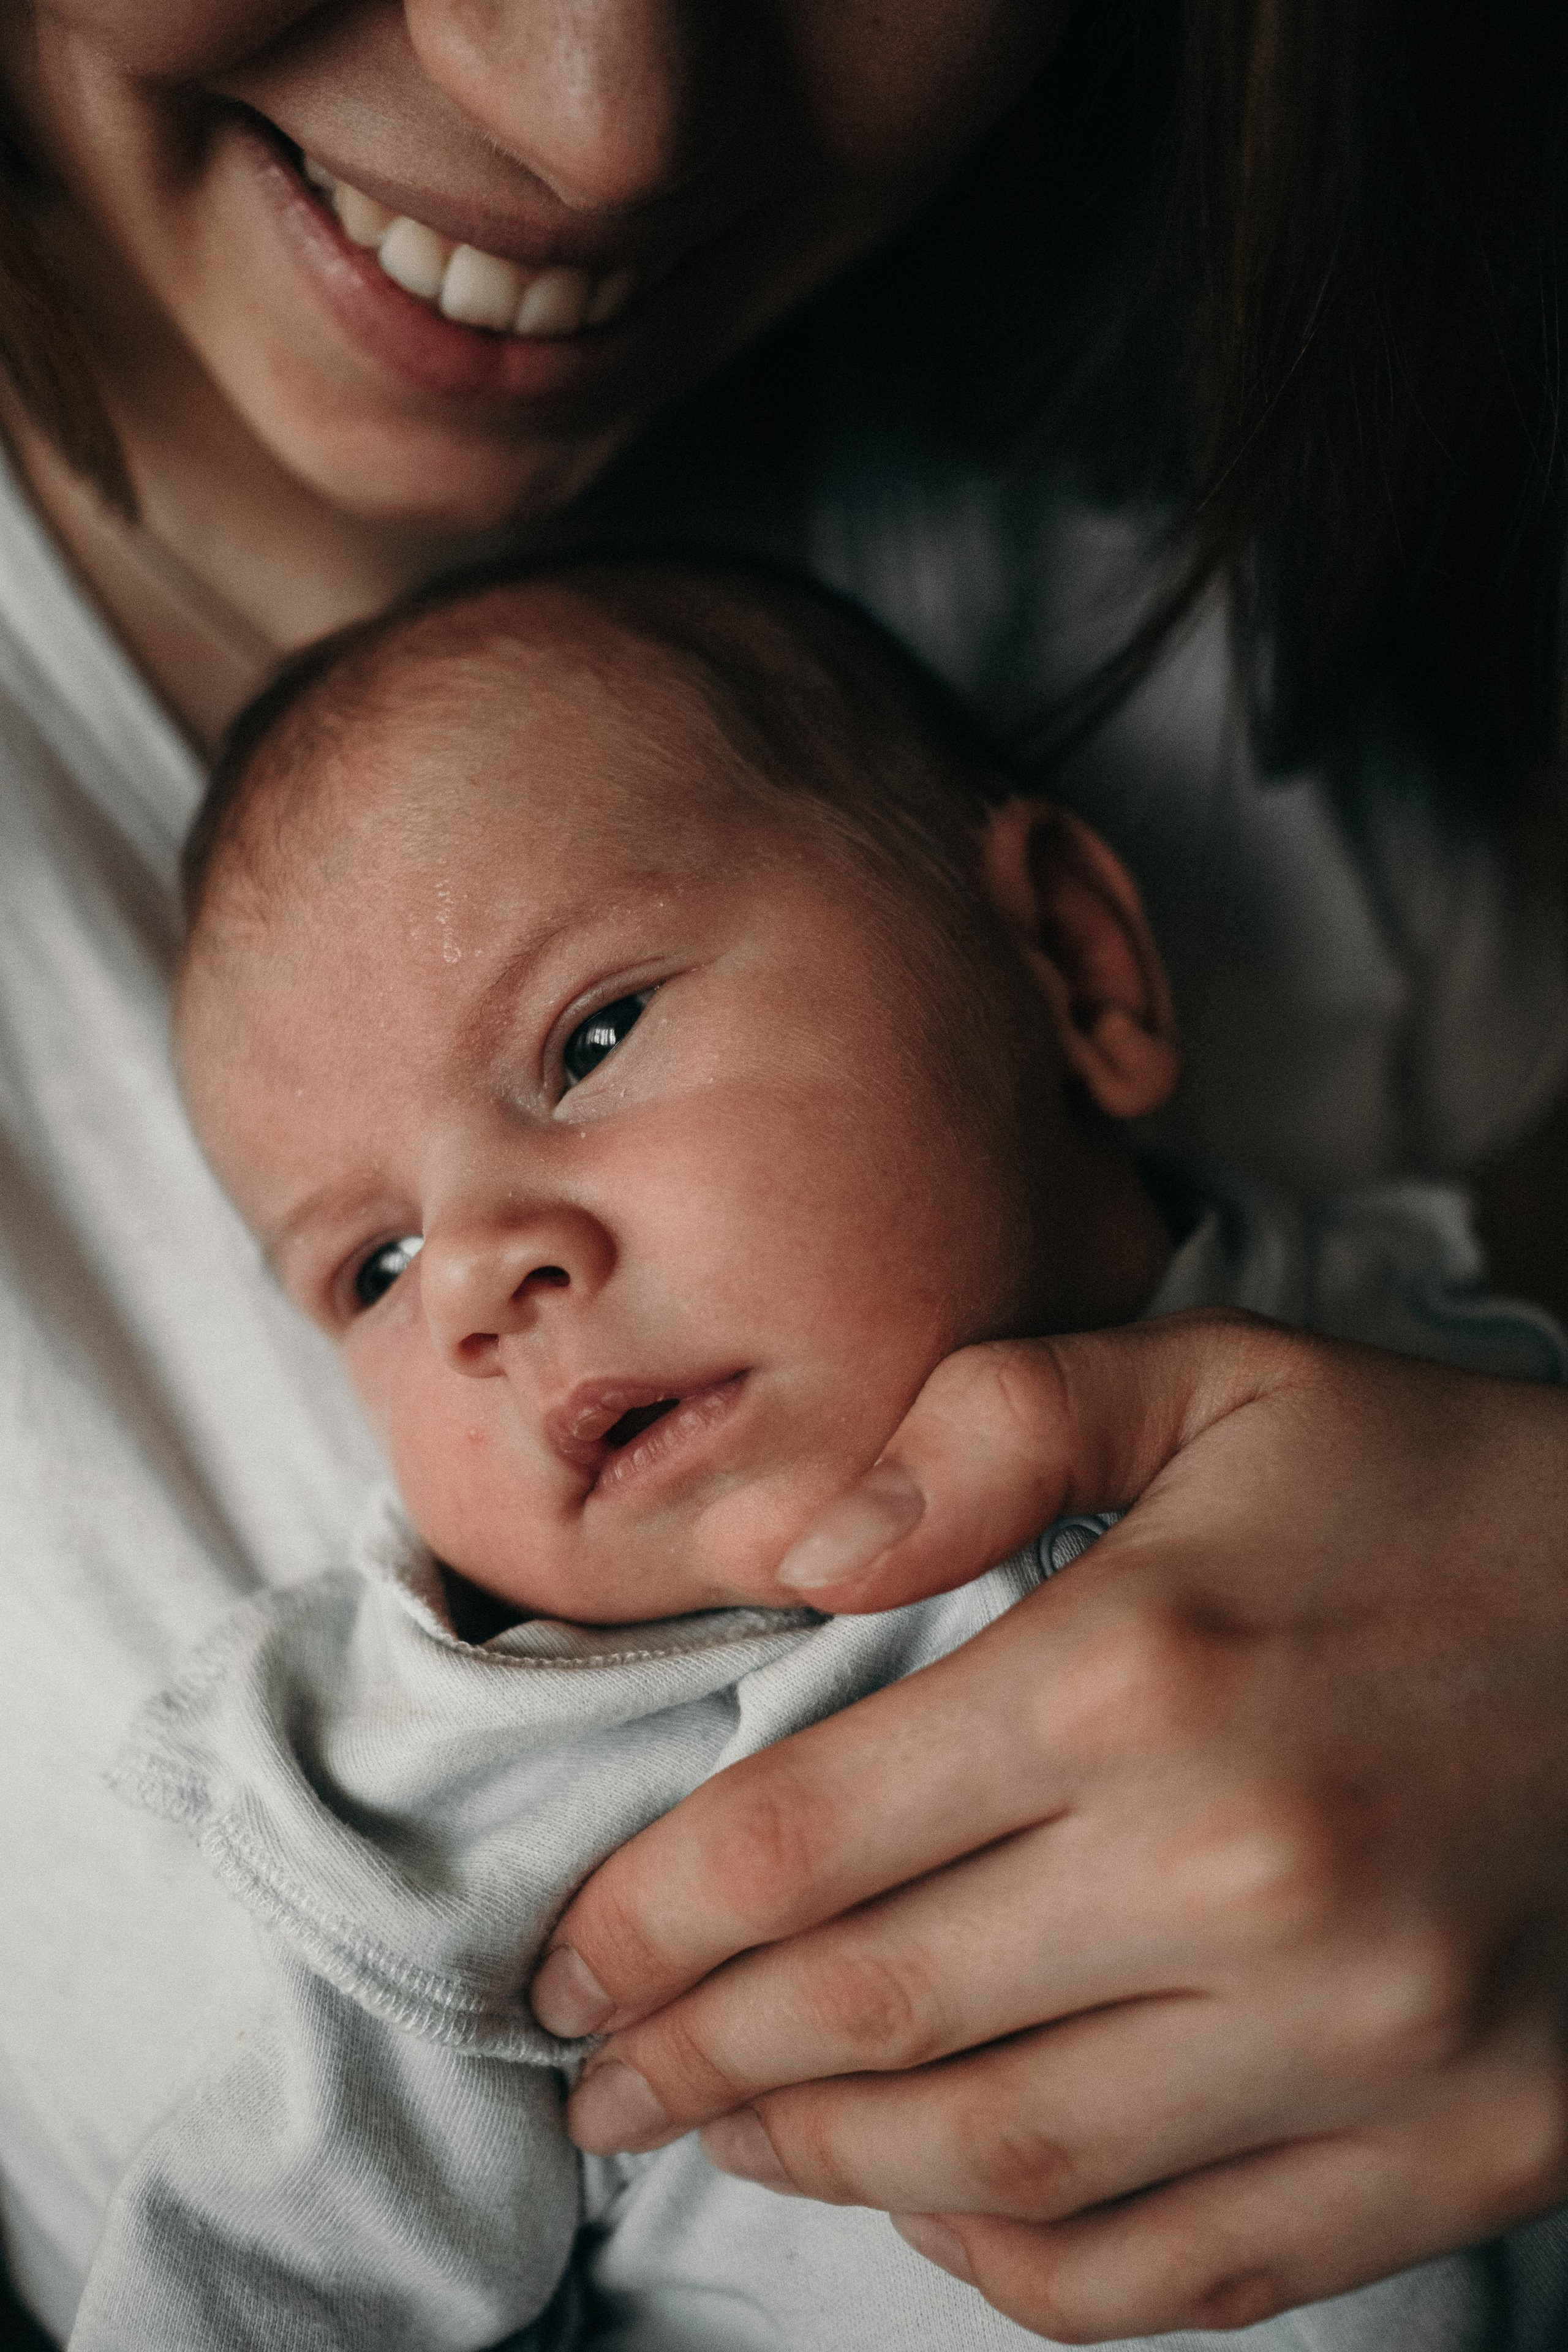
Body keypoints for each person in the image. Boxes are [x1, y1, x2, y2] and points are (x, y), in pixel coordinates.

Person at [2, 4, 1568, 2345]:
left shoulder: (1366, 1256)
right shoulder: (471, 1765)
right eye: (372, 1265)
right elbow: (262, 2270)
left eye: (598, 1038)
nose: (595, 122)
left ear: (1072, 963)